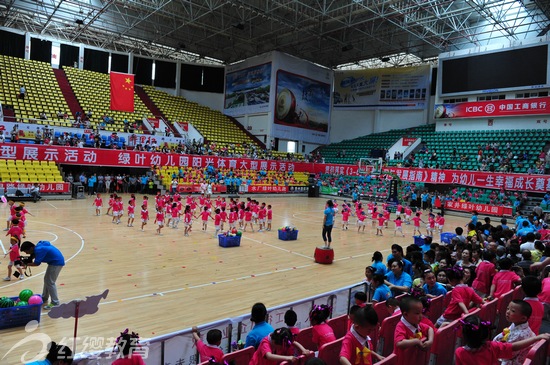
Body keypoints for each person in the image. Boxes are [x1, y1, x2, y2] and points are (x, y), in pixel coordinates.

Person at [454, 315, 549, 365]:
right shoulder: (492, 346)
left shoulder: (459, 352)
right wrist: (536, 338)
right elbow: (514, 346)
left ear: (464, 335)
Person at [20, 240, 65, 309]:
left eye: (26, 251)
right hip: (54, 262)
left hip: (56, 263)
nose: (26, 253)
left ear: (31, 248)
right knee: (47, 280)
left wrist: (26, 264)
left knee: (50, 282)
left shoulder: (39, 250)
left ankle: (55, 302)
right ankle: (44, 298)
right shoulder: (38, 247)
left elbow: (36, 263)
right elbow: (33, 257)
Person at [492, 300, 535, 365]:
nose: (508, 312)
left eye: (513, 311)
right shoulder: (516, 324)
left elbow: (506, 354)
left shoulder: (519, 334)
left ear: (523, 318)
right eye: (508, 308)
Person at [394, 296, 434, 365]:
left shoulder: (416, 324)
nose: (421, 316)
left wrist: (430, 341)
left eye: (422, 312)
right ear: (406, 314)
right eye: (417, 313)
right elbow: (399, 343)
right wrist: (416, 341)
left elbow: (430, 329)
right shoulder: (401, 326)